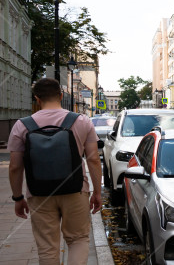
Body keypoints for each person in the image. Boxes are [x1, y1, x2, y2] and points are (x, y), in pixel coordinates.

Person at [7, 78, 103, 265]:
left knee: (47, 248)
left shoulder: (22, 125)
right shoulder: (82, 121)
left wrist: (18, 198)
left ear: (37, 99)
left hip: (39, 193)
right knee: (78, 240)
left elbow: (15, 166)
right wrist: (97, 192)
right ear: (60, 95)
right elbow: (93, 159)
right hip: (76, 190)